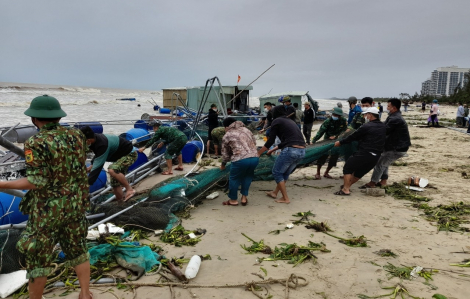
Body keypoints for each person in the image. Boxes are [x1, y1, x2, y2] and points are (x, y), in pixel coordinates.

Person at [0, 95, 92, 299]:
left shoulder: (35, 141)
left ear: (34, 119)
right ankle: (85, 293)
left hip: (48, 210)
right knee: (78, 248)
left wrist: (3, 184)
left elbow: (36, 182)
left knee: (37, 256)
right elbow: (79, 166)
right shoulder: (77, 135)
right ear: (58, 116)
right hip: (76, 204)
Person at [333, 107, 386, 195]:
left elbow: (353, 137)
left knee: (348, 168)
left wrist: (340, 142)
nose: (365, 116)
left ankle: (345, 190)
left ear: (370, 115)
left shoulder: (366, 126)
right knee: (359, 172)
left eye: (366, 114)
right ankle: (347, 186)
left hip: (365, 153)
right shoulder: (383, 126)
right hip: (376, 156)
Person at [361, 98, 411, 188]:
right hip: (392, 145)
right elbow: (383, 126)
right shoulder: (393, 116)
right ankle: (383, 181)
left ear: (394, 108)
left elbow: (384, 130)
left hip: (397, 147)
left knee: (380, 163)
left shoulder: (396, 119)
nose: (387, 108)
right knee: (384, 162)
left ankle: (373, 183)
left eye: (388, 106)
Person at [258, 113, 305, 204]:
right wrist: (271, 151)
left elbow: (270, 140)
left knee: (277, 172)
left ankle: (285, 198)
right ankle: (275, 193)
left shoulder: (276, 121)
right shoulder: (290, 122)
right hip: (302, 151)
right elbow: (284, 142)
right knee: (285, 173)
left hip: (291, 151)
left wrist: (259, 153)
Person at [81, 126, 137, 201]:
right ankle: (120, 203)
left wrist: (86, 185)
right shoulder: (95, 140)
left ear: (89, 140)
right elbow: (98, 155)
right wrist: (91, 165)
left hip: (129, 154)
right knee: (114, 184)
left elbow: (97, 168)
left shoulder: (102, 144)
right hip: (118, 157)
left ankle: (129, 189)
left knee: (112, 170)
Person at [220, 118, 259, 206]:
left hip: (240, 159)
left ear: (227, 126)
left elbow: (225, 153)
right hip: (254, 158)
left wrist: (223, 164)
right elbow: (254, 142)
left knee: (234, 178)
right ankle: (244, 198)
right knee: (248, 176)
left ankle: (233, 200)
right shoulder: (247, 130)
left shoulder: (228, 134)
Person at [312, 107, 347, 179]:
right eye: (333, 114)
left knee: (334, 156)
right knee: (323, 155)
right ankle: (318, 173)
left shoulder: (343, 121)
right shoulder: (327, 121)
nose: (334, 116)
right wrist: (313, 141)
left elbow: (344, 130)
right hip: (327, 140)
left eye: (336, 115)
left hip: (337, 141)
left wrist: (336, 136)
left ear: (339, 115)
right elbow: (320, 132)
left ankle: (326, 172)